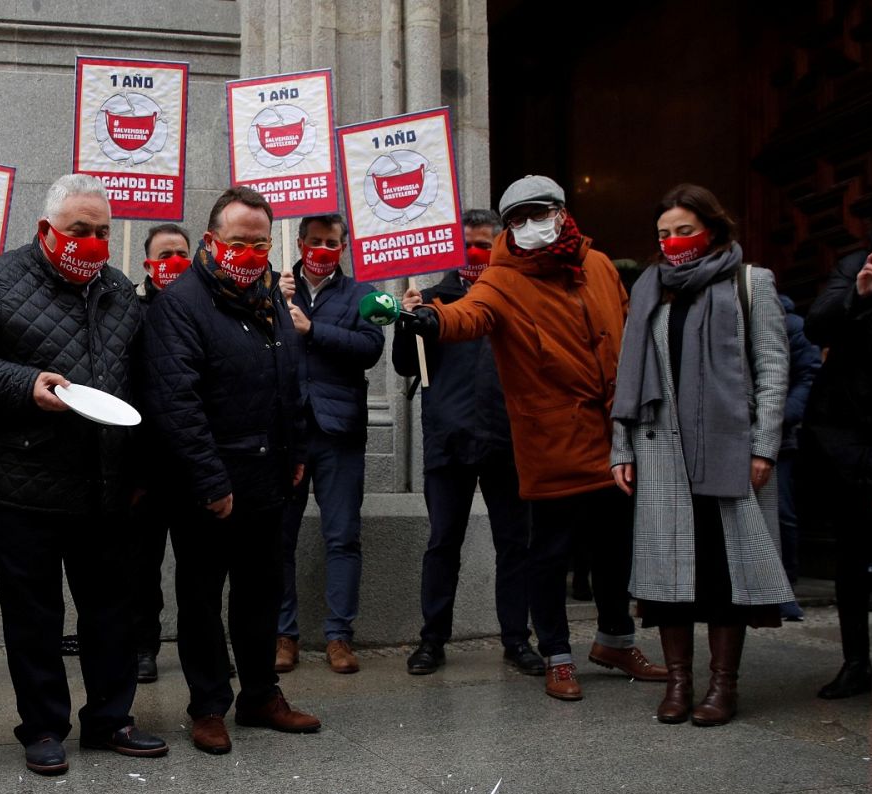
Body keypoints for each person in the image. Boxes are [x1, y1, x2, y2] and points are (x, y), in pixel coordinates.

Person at [0, 173, 166, 776]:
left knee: (111, 610)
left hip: (107, 485)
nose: (91, 243)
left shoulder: (118, 290)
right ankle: (42, 727)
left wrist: (141, 468)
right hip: (23, 483)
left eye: (102, 233)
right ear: (46, 230)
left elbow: (140, 383)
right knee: (34, 614)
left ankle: (111, 718)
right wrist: (24, 384)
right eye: (78, 231)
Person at [401, 175, 666, 701]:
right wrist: (428, 318)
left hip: (612, 434)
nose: (527, 226)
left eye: (536, 213)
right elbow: (468, 315)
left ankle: (615, 640)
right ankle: (558, 654)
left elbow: (628, 330)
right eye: (516, 219)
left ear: (562, 213)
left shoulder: (599, 265)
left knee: (614, 548)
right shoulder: (501, 278)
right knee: (547, 552)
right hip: (548, 439)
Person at [139, 186, 321, 754]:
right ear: (213, 240)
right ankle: (208, 704)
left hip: (268, 476)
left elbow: (288, 381)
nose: (250, 251)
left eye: (261, 242)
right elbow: (177, 403)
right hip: (206, 486)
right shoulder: (181, 304)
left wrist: (296, 453)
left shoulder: (268, 295)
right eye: (239, 241)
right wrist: (211, 482)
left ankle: (262, 695)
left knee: (261, 593)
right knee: (201, 598)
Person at [610, 184, 792, 727]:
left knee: (722, 572)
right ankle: (679, 684)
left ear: (712, 227)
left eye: (685, 230)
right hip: (660, 448)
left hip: (727, 449)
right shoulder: (651, 290)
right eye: (664, 233)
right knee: (668, 577)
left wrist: (764, 447)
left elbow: (774, 369)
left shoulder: (749, 284)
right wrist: (621, 447)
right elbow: (628, 373)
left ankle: (722, 687)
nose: (673, 242)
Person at [394, 209, 540, 678]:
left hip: (507, 439)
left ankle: (517, 639)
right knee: (443, 543)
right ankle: (432, 640)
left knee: (514, 544)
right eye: (468, 243)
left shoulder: (519, 298)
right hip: (448, 439)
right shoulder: (433, 298)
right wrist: (406, 317)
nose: (476, 252)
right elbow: (405, 366)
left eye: (485, 243)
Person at [804, 162, 872, 721]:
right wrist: (861, 293)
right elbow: (818, 325)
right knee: (852, 555)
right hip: (851, 442)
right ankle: (855, 662)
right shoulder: (854, 267)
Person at [273, 213, 384, 675]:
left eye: (331, 242)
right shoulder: (275, 289)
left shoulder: (360, 294)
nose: (322, 249)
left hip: (339, 432)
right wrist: (272, 308)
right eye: (314, 241)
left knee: (343, 537)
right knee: (280, 538)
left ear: (343, 246)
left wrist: (312, 329)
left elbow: (370, 348)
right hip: (286, 432)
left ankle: (339, 636)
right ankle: (284, 633)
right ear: (298, 244)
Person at [130, 223, 192, 684]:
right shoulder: (129, 312)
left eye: (181, 253)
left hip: (193, 461)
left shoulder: (207, 307)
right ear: (148, 263)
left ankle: (202, 648)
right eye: (165, 254)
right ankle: (143, 647)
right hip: (146, 463)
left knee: (199, 569)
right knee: (142, 566)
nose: (174, 261)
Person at [777, 292, 822, 619]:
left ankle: (784, 586)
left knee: (780, 511)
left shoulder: (791, 324)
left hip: (779, 432)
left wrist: (783, 414)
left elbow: (808, 374)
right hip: (732, 431)